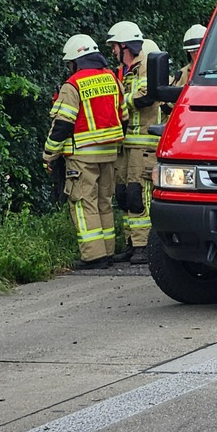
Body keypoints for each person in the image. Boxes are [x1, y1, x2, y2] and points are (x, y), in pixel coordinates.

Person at [44, 34, 127, 269]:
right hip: (110, 153)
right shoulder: (112, 78)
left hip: (82, 155)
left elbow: (62, 125)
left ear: (76, 61)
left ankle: (93, 256)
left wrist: (49, 155)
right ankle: (108, 252)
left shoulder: (73, 84)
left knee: (83, 203)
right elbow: (124, 116)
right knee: (104, 202)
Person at [112, 36, 163, 264]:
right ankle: (132, 242)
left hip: (143, 144)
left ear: (126, 47)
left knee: (137, 194)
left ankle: (143, 245)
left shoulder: (146, 70)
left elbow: (146, 98)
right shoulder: (123, 72)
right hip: (125, 143)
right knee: (123, 195)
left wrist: (119, 102)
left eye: (115, 46)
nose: (113, 51)